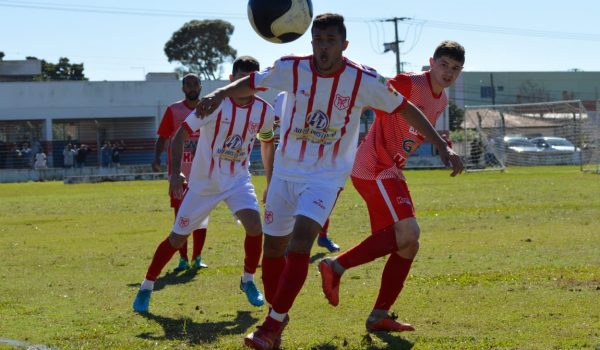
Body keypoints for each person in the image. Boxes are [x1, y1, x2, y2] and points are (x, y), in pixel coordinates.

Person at [197, 14, 462, 350]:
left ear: (344, 44)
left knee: (303, 241)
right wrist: (221, 94)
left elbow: (404, 108)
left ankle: (271, 326)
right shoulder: (292, 68)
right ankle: (279, 314)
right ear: (311, 43)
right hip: (286, 172)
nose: (323, 47)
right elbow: (252, 81)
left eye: (331, 41)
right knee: (274, 248)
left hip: (326, 176)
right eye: (318, 40)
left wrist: (441, 144)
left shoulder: (362, 78)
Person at [318, 40, 465, 333]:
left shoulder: (443, 100)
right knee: (409, 233)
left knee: (408, 244)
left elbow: (419, 129)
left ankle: (378, 316)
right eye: (444, 65)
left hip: (391, 169)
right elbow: (373, 93)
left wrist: (443, 145)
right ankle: (334, 266)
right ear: (431, 62)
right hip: (374, 166)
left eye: (455, 69)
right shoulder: (410, 83)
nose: (448, 72)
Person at [132, 56, 276, 313]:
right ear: (231, 80)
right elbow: (179, 136)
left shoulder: (265, 111)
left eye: (251, 80)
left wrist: (270, 180)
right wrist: (175, 173)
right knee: (177, 238)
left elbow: (267, 141)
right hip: (203, 184)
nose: (247, 84)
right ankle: (146, 286)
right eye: (241, 78)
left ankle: (248, 280)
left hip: (237, 180)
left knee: (255, 226)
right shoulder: (213, 104)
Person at [152, 74, 209, 272]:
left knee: (201, 216)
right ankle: (183, 258)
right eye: (188, 84)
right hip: (179, 174)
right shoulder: (174, 110)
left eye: (195, 83)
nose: (192, 87)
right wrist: (157, 157)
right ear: (183, 88)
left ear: (201, 86)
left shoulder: (209, 109)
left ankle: (197, 257)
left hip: (203, 173)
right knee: (181, 217)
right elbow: (162, 137)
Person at [273, 91, 340, 253]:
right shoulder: (284, 95)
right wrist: (268, 137)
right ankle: (288, 243)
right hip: (292, 165)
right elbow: (271, 124)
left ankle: (322, 236)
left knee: (321, 203)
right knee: (295, 207)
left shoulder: (329, 93)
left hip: (322, 162)